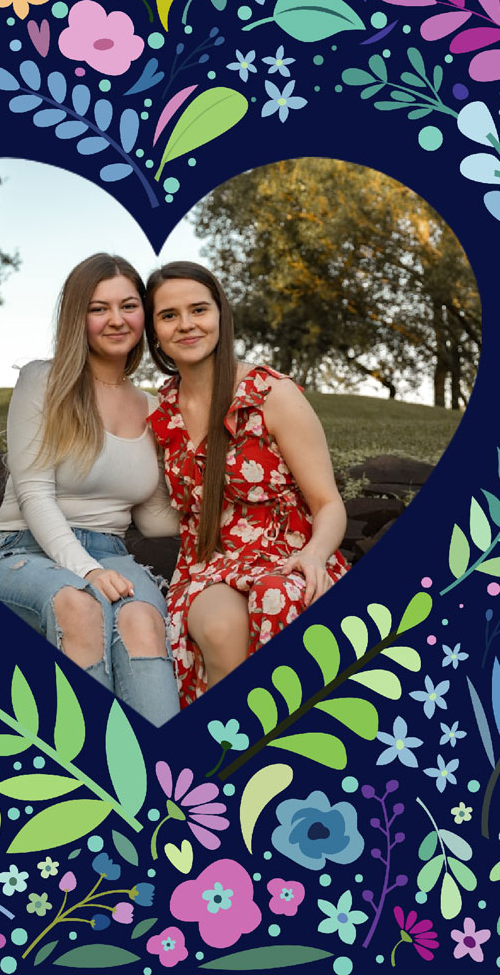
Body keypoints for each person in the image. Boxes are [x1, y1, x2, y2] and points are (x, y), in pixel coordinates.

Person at [0, 253, 181, 725]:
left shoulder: (154, 409)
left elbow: (151, 517)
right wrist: (86, 570)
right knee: (79, 605)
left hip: (113, 557)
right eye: (98, 308)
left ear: (144, 315)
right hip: (22, 550)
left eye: (128, 306)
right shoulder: (43, 380)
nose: (115, 320)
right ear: (77, 317)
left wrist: (231, 510)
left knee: (141, 620)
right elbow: (33, 493)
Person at [144, 261, 349, 706]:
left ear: (220, 314)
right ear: (154, 329)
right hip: (209, 565)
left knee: (278, 597)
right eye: (168, 315)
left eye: (198, 309)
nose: (186, 325)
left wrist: (314, 556)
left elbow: (328, 503)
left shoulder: (271, 394)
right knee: (221, 630)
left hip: (289, 554)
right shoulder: (161, 411)